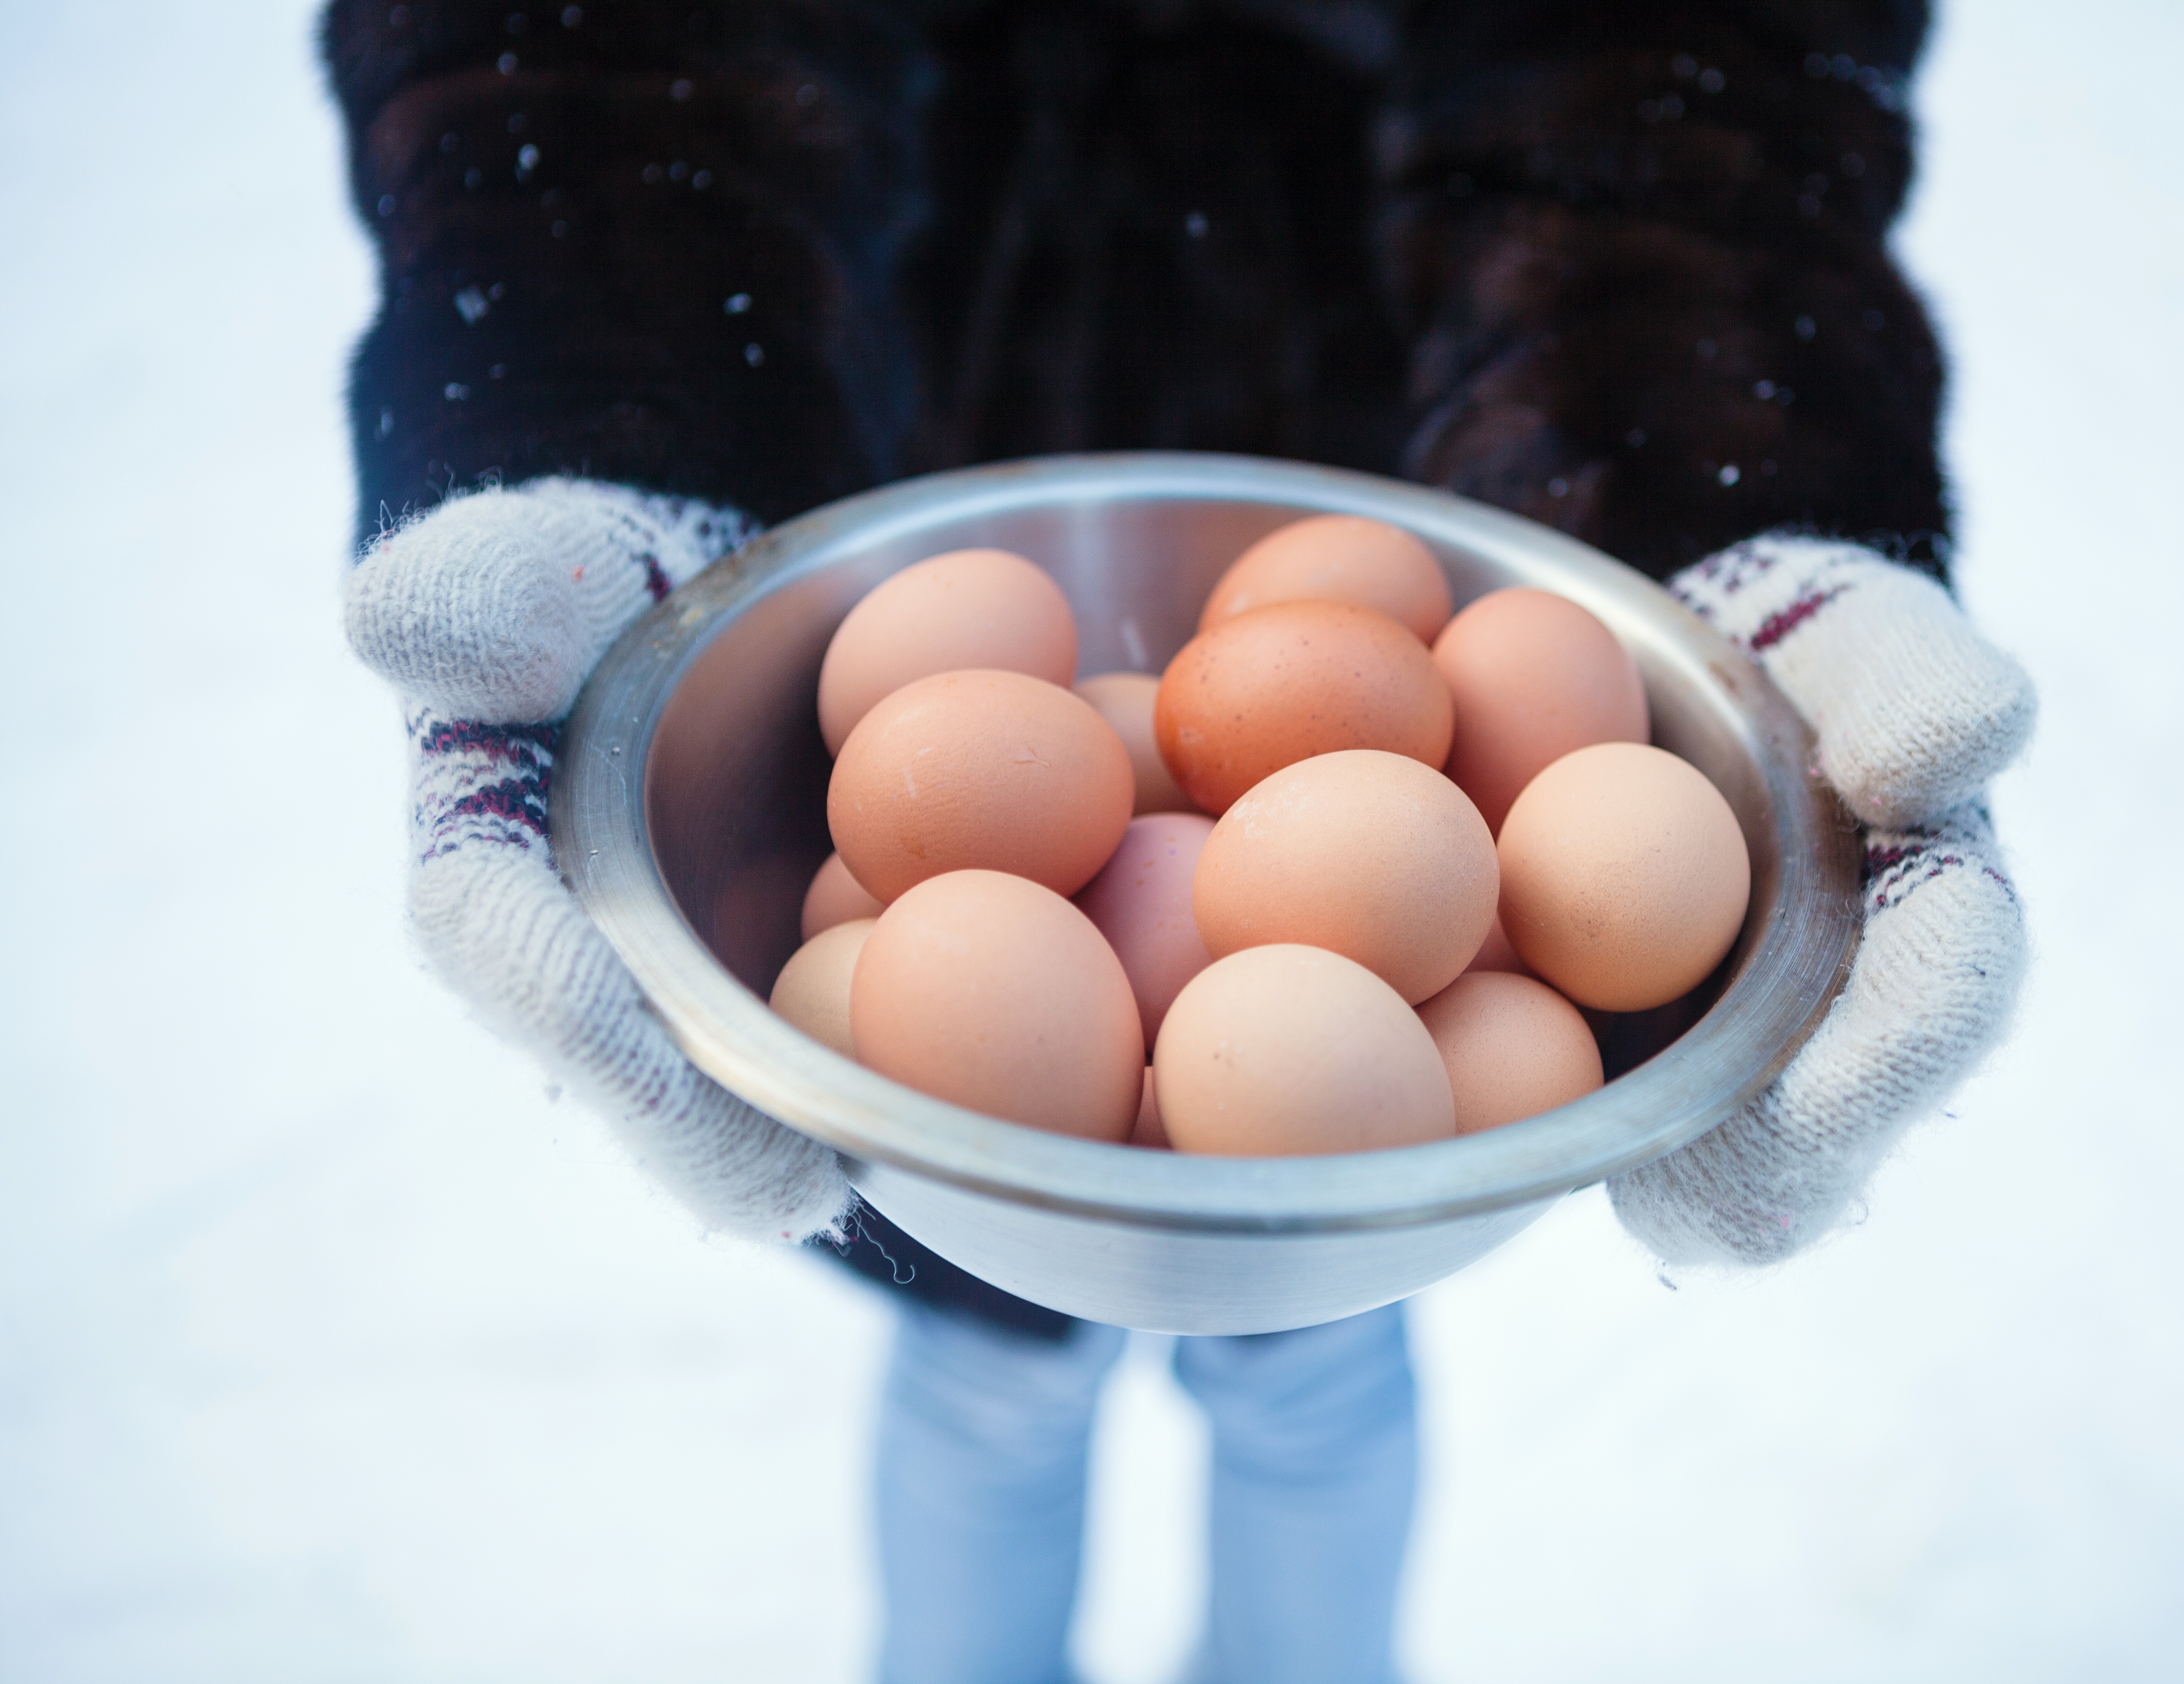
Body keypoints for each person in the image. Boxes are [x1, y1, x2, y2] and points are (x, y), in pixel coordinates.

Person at [323, 3, 2030, 1680]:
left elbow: (1692, 57)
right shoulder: (1020, 789)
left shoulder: (1375, 807)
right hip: (895, 418)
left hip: (1399, 423)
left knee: (1304, 1361)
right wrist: (604, 392)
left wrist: (1695, 476)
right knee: (1002, 1375)